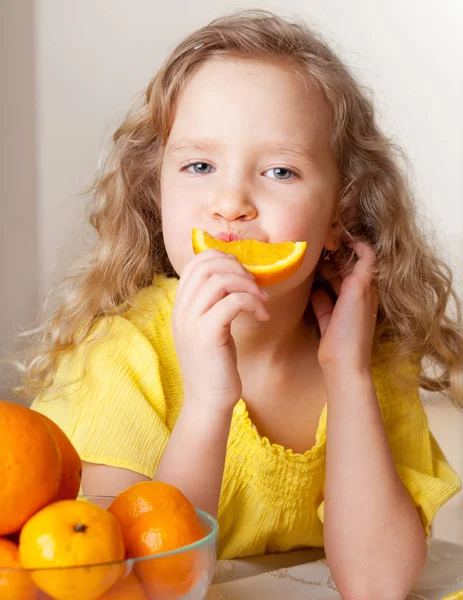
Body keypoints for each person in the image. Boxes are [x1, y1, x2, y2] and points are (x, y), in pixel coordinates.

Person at [20, 9, 462, 598]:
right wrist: (207, 402)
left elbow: (378, 583)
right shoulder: (121, 357)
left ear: (341, 216)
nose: (230, 203)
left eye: (281, 171)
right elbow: (142, 579)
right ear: (157, 188)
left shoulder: (369, 361)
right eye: (199, 165)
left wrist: (347, 373)